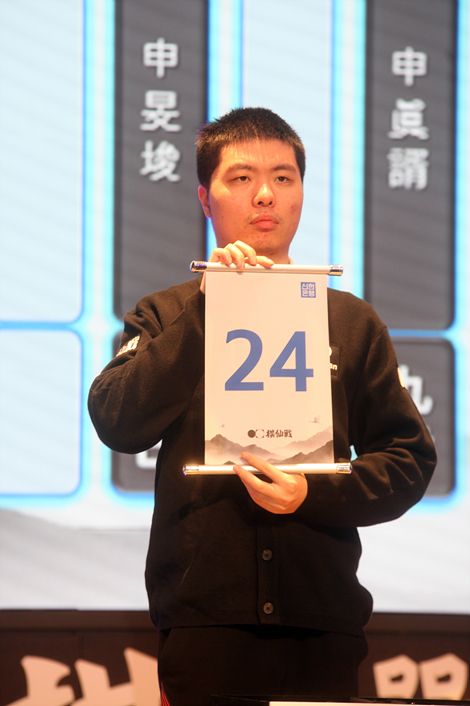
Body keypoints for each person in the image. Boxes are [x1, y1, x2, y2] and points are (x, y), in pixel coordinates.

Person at [88, 107, 436, 705]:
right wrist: (210, 307)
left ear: (301, 192)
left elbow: (408, 460)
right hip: (205, 622)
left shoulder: (350, 321)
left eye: (283, 177)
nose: (266, 194)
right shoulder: (167, 313)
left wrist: (313, 491)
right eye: (242, 178)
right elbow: (117, 419)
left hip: (321, 619)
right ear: (206, 198)